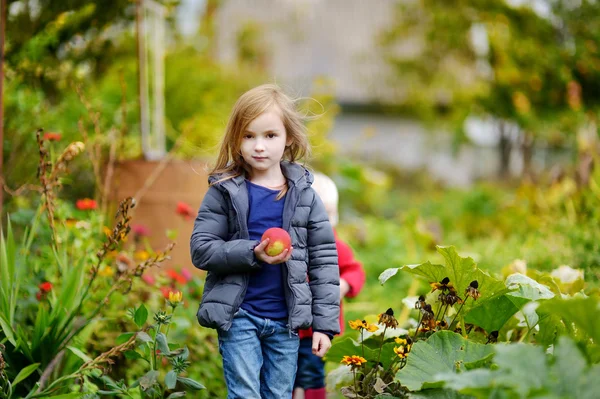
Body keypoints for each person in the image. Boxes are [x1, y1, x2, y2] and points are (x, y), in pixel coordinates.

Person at [190, 84, 340, 399]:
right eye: (249, 135)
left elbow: (325, 260)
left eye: (270, 135)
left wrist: (324, 325)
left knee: (278, 394)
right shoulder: (224, 191)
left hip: (285, 321)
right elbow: (202, 249)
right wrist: (253, 252)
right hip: (239, 315)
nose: (259, 146)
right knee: (245, 393)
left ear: (289, 138)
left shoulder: (305, 197)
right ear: (236, 139)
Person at [293, 173, 366, 399]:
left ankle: (311, 395)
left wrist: (344, 284)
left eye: (326, 213)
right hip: (290, 323)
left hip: (318, 327)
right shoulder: (292, 244)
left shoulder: (337, 247)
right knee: (287, 366)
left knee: (312, 368)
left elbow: (355, 270)